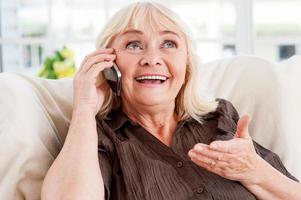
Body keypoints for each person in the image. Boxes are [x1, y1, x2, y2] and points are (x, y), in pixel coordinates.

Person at [41, 2, 301, 200]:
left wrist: (255, 171)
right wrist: (84, 108)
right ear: (109, 63)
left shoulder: (218, 117)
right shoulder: (96, 136)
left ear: (186, 63)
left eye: (168, 43)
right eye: (133, 45)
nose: (152, 58)